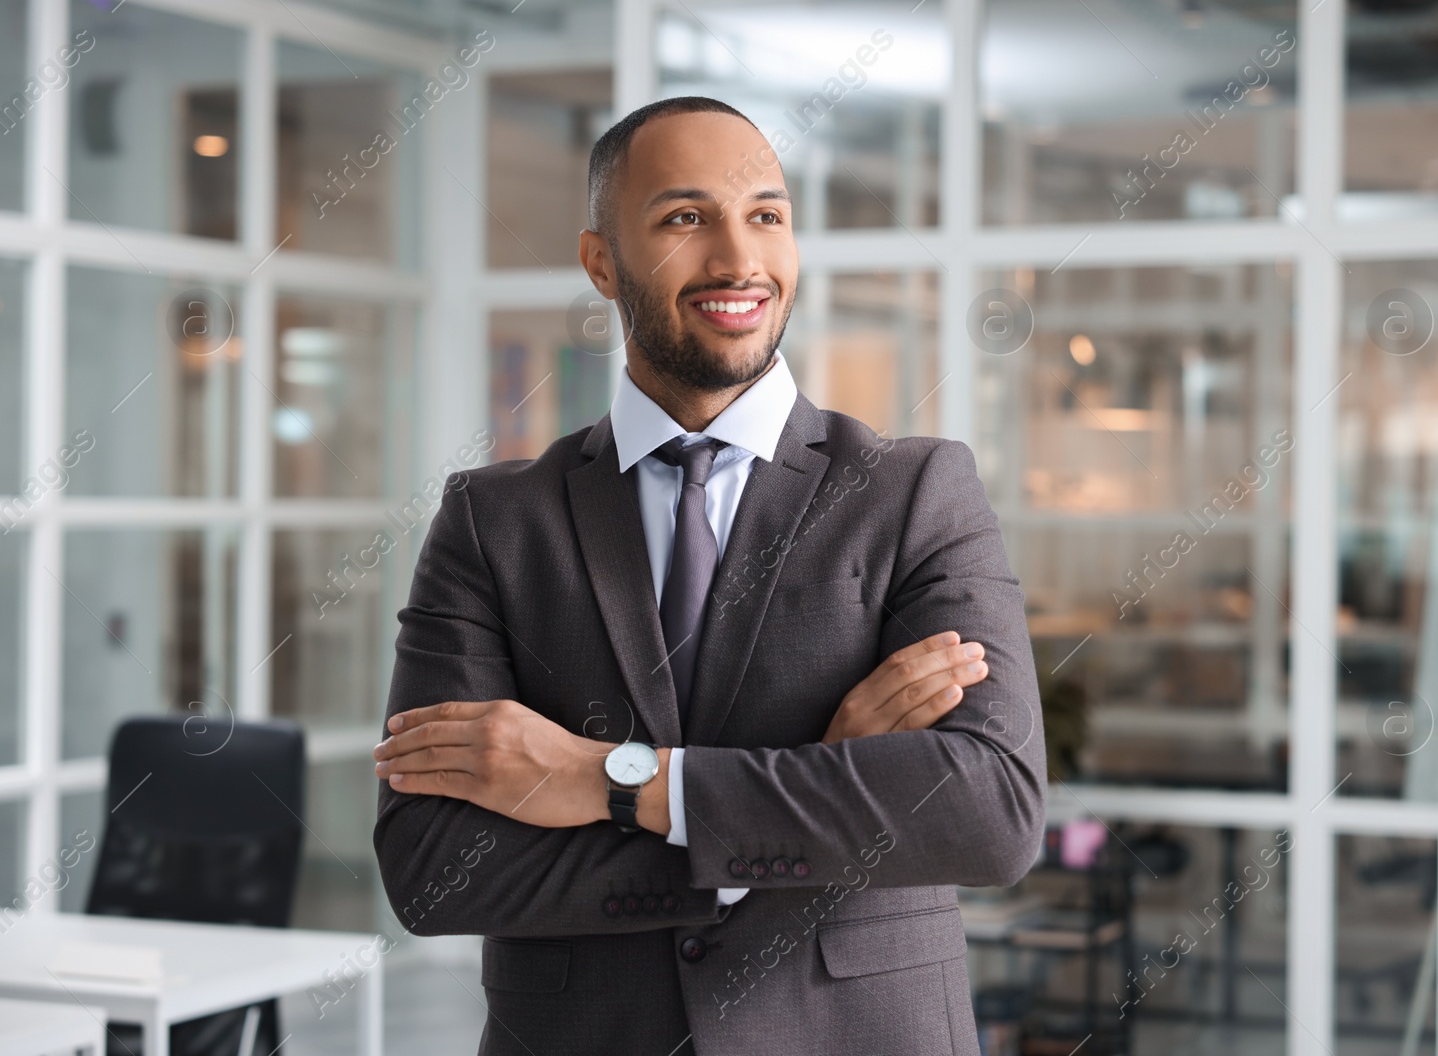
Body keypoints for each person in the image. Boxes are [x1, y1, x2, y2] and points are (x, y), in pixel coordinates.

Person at [372, 96, 1045, 1056]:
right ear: (601, 259)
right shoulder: (494, 521)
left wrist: (612, 780)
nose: (739, 261)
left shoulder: (915, 492)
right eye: (686, 218)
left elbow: (989, 812)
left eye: (766, 215)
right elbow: (431, 869)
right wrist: (829, 772)